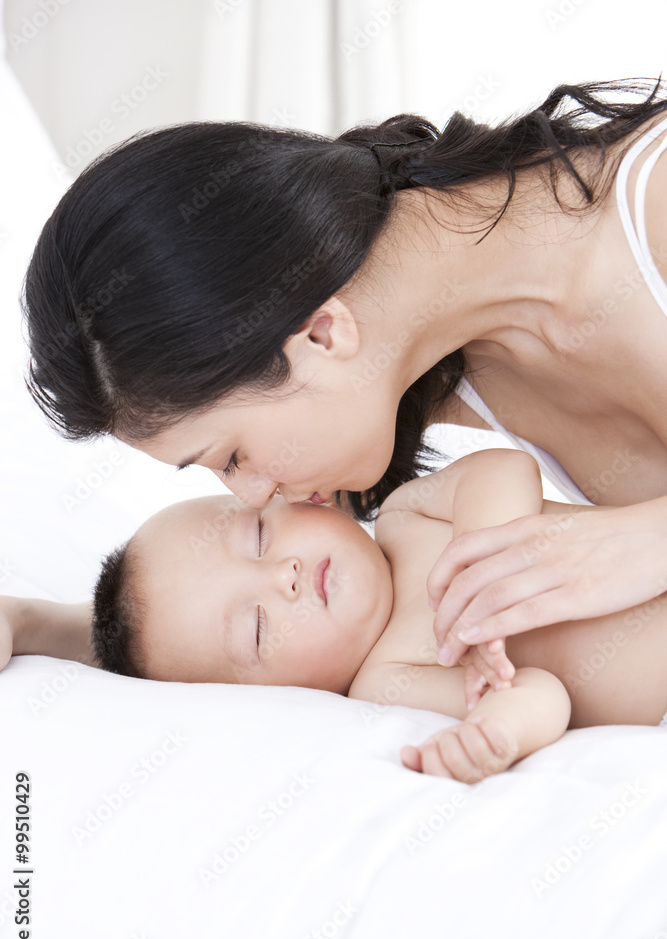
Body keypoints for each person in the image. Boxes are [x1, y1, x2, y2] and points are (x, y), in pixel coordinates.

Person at [17, 78, 667, 773]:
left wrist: (641, 540)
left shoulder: (651, 208)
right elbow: (226, 632)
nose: (257, 495)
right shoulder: (432, 380)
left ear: (321, 335)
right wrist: (31, 626)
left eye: (232, 457)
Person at [7, 449, 662, 784]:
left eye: (260, 538)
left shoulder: (409, 516)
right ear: (286, 696)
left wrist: (485, 571)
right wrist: (495, 730)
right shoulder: (390, 678)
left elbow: (504, 468)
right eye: (257, 626)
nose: (283, 577)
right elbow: (544, 693)